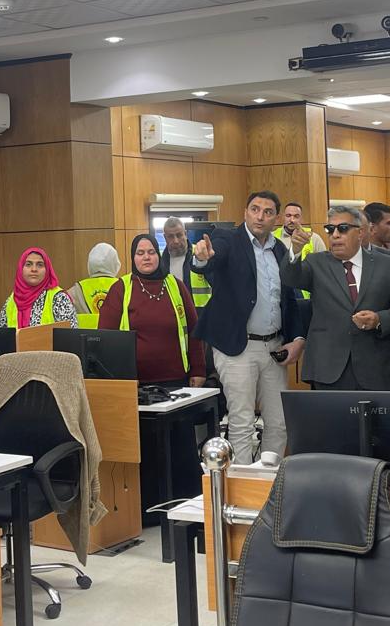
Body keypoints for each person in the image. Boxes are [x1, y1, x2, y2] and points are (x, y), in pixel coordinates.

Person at [191, 190, 305, 465]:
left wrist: (298, 338)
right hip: (237, 347)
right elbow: (211, 258)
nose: (260, 216)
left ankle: (269, 483)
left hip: (274, 347)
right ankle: (243, 486)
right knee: (241, 422)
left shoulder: (280, 250)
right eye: (255, 209)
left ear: (276, 219)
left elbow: (290, 299)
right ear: (245, 212)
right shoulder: (228, 240)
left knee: (279, 423)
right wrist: (203, 257)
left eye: (267, 212)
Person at [279, 205, 390, 390]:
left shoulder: (388, 265)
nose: (335, 235)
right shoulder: (316, 263)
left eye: (342, 228)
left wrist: (379, 319)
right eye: (330, 229)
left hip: (375, 367)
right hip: (328, 369)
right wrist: (295, 251)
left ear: (360, 233)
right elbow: (290, 278)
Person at [99, 234, 205, 386]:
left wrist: (199, 370)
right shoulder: (120, 289)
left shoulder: (176, 286)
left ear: (158, 255)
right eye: (140, 253)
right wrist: (118, 378)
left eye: (151, 252)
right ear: (133, 258)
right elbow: (106, 337)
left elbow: (194, 330)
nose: (146, 257)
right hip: (134, 382)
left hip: (177, 380)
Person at [0, 247, 79, 327]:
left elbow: (70, 333)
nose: (34, 269)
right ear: (21, 269)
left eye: (40, 265)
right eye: (28, 264)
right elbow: (0, 333)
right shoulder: (12, 299)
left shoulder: (58, 297)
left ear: (47, 270)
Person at [162, 217, 211, 307]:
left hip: (201, 312)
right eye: (171, 236)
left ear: (185, 234)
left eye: (179, 235)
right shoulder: (160, 260)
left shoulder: (200, 253)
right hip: (172, 312)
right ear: (165, 237)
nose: (176, 241)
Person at [69, 242, 120, 326]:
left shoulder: (74, 292)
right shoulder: (125, 288)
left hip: (83, 334)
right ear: (115, 263)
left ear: (89, 264)